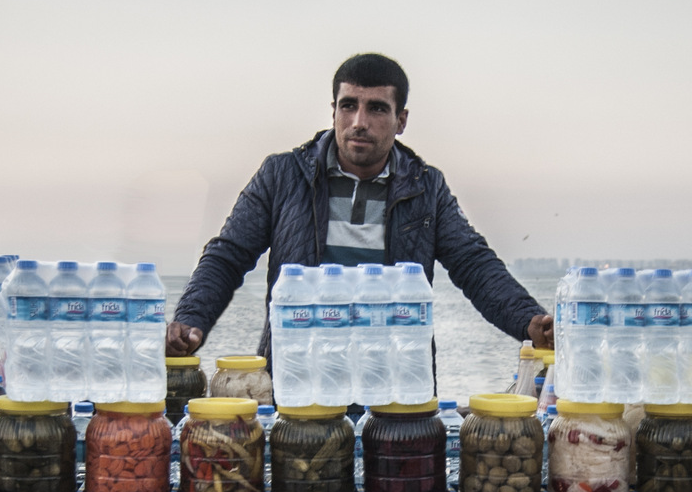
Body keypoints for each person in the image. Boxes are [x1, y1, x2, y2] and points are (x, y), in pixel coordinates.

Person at [168, 53, 554, 368]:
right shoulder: (283, 175)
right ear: (333, 110)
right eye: (348, 106)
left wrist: (529, 321)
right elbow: (228, 255)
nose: (359, 122)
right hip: (297, 377)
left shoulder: (426, 186)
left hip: (396, 381)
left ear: (401, 120)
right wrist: (190, 321)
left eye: (377, 109)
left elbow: (473, 264)